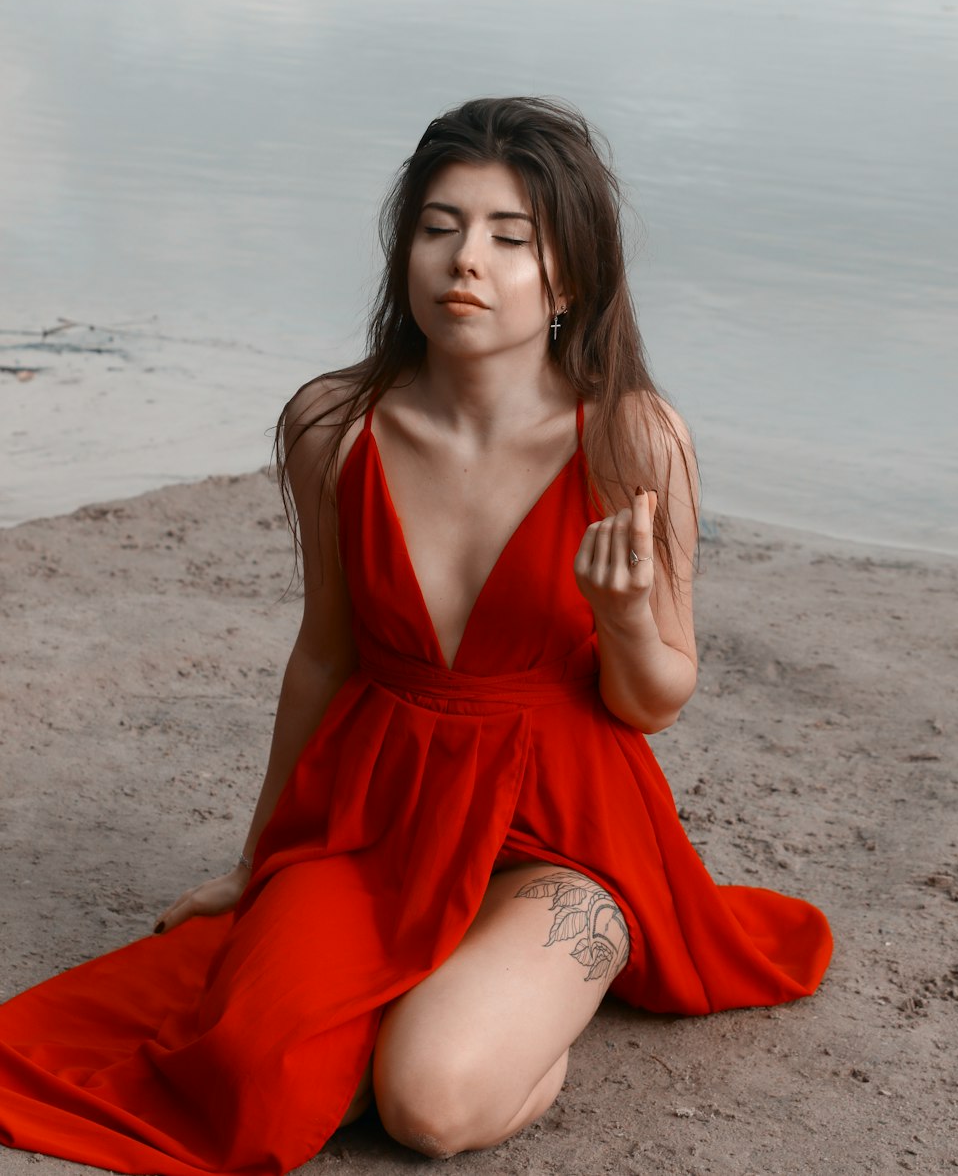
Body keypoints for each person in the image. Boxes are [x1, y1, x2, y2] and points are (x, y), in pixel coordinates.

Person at [0, 97, 832, 1173]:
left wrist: (624, 619)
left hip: (565, 836)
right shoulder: (334, 426)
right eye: (438, 228)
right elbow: (324, 655)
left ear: (567, 278)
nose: (464, 262)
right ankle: (439, 987)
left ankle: (551, 991)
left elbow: (654, 699)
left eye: (508, 236)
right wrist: (255, 861)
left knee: (429, 1106)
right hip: (376, 814)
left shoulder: (630, 434)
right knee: (254, 1088)